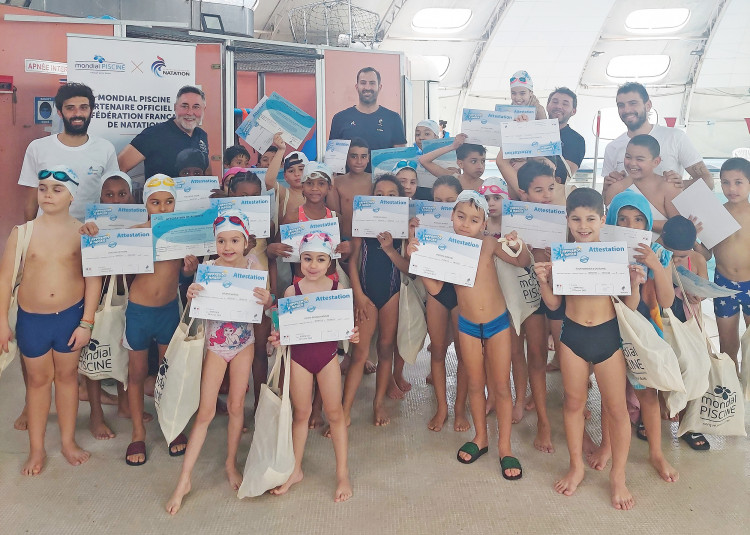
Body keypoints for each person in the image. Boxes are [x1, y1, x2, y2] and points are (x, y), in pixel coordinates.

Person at [409, 190, 530, 480]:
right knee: (475, 384)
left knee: (500, 387)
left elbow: (522, 262)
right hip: (467, 326)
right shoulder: (446, 248)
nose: (466, 224)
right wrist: (419, 259)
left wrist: (517, 245)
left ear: (484, 223)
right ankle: (481, 438)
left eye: (474, 220)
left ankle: (505, 446)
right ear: (451, 216)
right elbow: (438, 291)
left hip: (497, 324)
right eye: (461, 216)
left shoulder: (489, 244)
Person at [534, 188, 642, 510]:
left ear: (602, 219)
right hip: (572, 338)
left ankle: (618, 476)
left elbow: (630, 307)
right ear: (567, 219)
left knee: (617, 409)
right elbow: (554, 303)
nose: (583, 225)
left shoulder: (614, 256)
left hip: (609, 337)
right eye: (576, 219)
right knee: (573, 403)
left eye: (590, 219)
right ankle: (576, 466)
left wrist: (635, 283)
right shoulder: (562, 256)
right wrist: (543, 280)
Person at [83, 175, 198, 465]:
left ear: (176, 204)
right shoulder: (135, 233)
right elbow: (107, 258)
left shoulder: (180, 235)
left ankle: (172, 427)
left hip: (168, 311)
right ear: (145, 203)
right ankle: (137, 432)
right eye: (155, 202)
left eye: (168, 202)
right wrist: (92, 234)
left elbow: (183, 277)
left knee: (166, 373)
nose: (162, 208)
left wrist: (189, 269)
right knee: (136, 374)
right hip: (139, 312)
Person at [166, 210, 271, 514]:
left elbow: (266, 306)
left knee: (237, 406)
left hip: (244, 344)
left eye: (234, 240)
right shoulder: (208, 269)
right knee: (206, 412)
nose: (228, 246)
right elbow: (196, 309)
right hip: (214, 346)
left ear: (246, 241)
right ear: (214, 243)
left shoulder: (254, 266)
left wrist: (267, 300)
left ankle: (230, 463)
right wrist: (191, 294)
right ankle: (184, 479)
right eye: (222, 240)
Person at [0, 166, 102, 475]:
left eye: (57, 189)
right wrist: (2, 321)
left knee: (68, 379)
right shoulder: (23, 232)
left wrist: (87, 323)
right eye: (42, 188)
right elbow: (5, 280)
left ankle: (68, 442)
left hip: (70, 319)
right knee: (38, 382)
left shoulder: (84, 231)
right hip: (33, 321)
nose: (47, 194)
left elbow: (93, 280)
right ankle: (36, 449)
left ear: (72, 196)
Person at [268, 232, 358, 502]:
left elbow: (347, 328)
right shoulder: (290, 292)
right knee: (301, 414)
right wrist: (278, 336)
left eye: (320, 259)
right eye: (307, 258)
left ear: (329, 262)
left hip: (328, 358)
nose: (313, 265)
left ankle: (342, 474)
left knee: (335, 414)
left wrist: (353, 334)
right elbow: (281, 330)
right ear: (299, 260)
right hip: (299, 360)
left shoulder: (337, 291)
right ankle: (295, 470)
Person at [599, 190, 678, 482]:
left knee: (648, 396)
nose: (630, 226)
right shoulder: (602, 250)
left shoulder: (659, 253)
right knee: (612, 395)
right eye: (622, 219)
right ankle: (607, 446)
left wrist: (655, 266)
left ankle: (656, 453)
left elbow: (667, 301)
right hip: (610, 331)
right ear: (611, 221)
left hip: (645, 334)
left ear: (647, 225)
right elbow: (623, 305)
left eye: (637, 219)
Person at [496, 164, 557, 451]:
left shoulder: (561, 221)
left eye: (551, 189)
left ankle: (543, 420)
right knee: (514, 351)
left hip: (546, 298)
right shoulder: (514, 220)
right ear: (523, 192)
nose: (546, 195)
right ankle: (519, 399)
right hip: (517, 294)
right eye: (538, 190)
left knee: (537, 355)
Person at [343, 175, 410, 427]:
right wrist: (358, 295)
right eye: (379, 195)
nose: (385, 199)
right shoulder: (363, 222)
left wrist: (391, 247)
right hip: (366, 294)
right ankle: (345, 409)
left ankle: (378, 403)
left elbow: (407, 268)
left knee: (385, 350)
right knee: (360, 354)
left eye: (391, 195)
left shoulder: (403, 229)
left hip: (391, 293)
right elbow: (353, 261)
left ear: (400, 199)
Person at [18, 83, 119, 223]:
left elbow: (111, 196)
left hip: (91, 235)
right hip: (48, 234)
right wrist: (28, 237)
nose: (77, 114)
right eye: (70, 108)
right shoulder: (37, 148)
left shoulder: (105, 148)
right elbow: (31, 201)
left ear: (91, 110)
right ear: (60, 112)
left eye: (83, 107)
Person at [418, 176, 469, 432]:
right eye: (438, 201)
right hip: (436, 290)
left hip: (462, 294)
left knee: (464, 355)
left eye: (450, 202)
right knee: (437, 350)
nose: (443, 206)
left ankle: (459, 408)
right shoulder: (425, 228)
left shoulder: (471, 228)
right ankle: (442, 407)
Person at [602, 82, 713, 196]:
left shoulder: (675, 137)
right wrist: (608, 186)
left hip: (669, 213)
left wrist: (679, 185)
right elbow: (606, 198)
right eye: (621, 105)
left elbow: (708, 181)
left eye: (633, 103)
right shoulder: (612, 148)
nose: (626, 110)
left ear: (648, 105)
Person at [659, 215, 710, 451]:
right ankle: (657, 411)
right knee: (660, 365)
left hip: (688, 319)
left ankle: (689, 422)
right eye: (673, 254)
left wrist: (697, 295)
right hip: (661, 317)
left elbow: (704, 289)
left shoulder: (697, 259)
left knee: (695, 367)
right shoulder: (656, 255)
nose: (677, 260)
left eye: (683, 256)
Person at [707, 157, 750, 372]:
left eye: (738, 182)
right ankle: (730, 387)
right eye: (725, 182)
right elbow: (706, 254)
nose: (731, 188)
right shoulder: (715, 214)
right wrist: (694, 238)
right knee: (727, 343)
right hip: (723, 284)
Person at [118, 86, 209, 179]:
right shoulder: (154, 134)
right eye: (184, 106)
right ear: (175, 107)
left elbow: (206, 171)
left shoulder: (201, 135)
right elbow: (119, 167)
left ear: (203, 110)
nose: (190, 112)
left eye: (196, 107)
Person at [329, 67, 407, 171]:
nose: (367, 87)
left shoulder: (393, 118)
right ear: (357, 87)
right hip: (348, 185)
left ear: (379, 87)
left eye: (372, 83)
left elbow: (400, 159)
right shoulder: (340, 118)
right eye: (363, 83)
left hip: (382, 185)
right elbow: (334, 161)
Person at [602, 135, 680, 238]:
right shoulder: (615, 188)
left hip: (663, 251)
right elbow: (609, 226)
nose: (632, 163)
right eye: (628, 157)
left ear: (656, 161)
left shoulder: (668, 187)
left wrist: (643, 221)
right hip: (622, 250)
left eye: (640, 159)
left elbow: (680, 226)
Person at [326, 138, 373, 239]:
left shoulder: (376, 181)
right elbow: (334, 215)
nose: (359, 161)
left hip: (370, 241)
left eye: (363, 156)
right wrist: (330, 186)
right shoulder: (337, 182)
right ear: (346, 158)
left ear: (368, 158)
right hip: (346, 238)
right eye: (354, 156)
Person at [419, 134, 486, 192]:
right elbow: (423, 160)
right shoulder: (453, 179)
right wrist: (452, 147)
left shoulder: (487, 186)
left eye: (483, 161)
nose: (480, 166)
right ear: (460, 164)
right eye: (473, 161)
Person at [545, 87, 585, 183]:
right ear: (547, 106)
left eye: (565, 104)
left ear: (573, 111)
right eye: (555, 102)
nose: (559, 106)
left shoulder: (577, 140)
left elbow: (563, 176)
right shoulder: (532, 130)